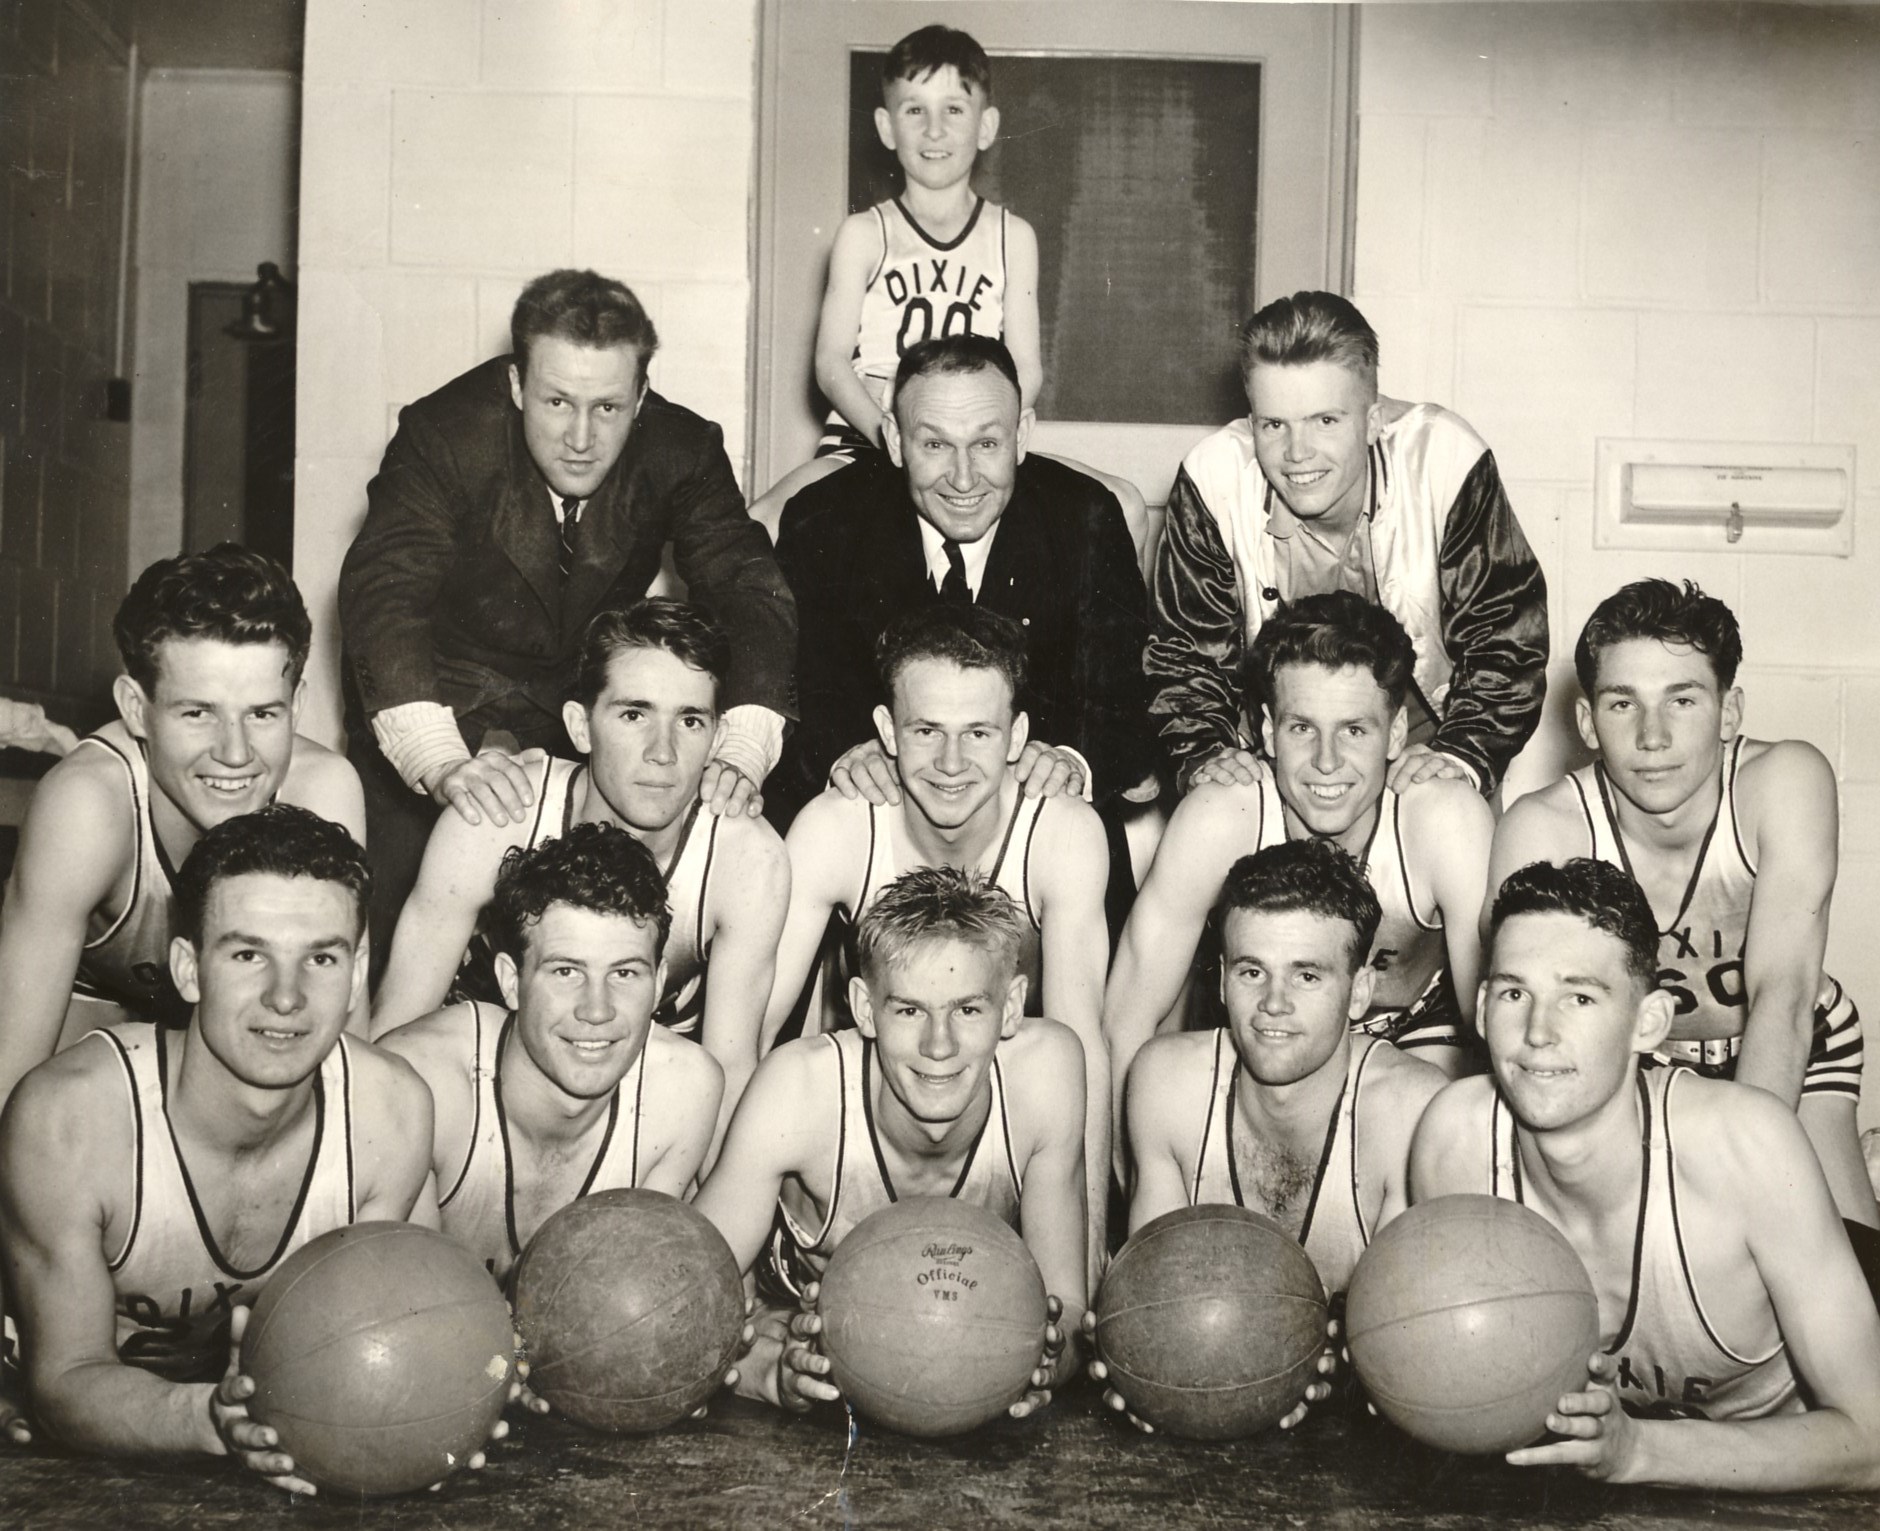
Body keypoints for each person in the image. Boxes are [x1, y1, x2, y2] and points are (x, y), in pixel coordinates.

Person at [338, 268, 796, 976]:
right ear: (517, 385)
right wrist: (436, 760)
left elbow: (750, 588)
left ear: (641, 397)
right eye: (556, 401)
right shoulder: (443, 433)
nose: (581, 437)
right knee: (396, 949)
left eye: (609, 408)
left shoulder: (683, 447)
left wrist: (742, 746)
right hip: (442, 702)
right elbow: (387, 591)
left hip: (578, 719)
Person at [0, 806, 445, 1493]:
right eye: (247, 954)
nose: (287, 996)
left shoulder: (393, 1113)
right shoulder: (71, 1117)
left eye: (321, 957)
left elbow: (404, 1332)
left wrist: (452, 1405)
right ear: (188, 968)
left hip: (254, 1414)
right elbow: (64, 1379)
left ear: (357, 973)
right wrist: (209, 1414)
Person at [1410, 858, 1880, 1492]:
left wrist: (1639, 1452)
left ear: (1649, 1023)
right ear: (1486, 1005)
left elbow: (1871, 1442)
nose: (1537, 1033)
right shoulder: (1453, 1142)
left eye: (1579, 996)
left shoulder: (1747, 1145)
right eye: (1515, 993)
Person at [1488, 580, 1877, 1229]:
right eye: (1622, 703)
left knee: (1847, 1259)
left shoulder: (1782, 782)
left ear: (1729, 712)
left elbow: (1783, 991)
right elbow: (1533, 1028)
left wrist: (1741, 1178)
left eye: (1682, 699)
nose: (1652, 736)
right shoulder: (1544, 827)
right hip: (1632, 1064)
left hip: (1786, 1043)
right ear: (1586, 721)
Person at [766, 605, 1111, 1274]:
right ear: (884, 731)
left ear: (1018, 737)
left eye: (978, 732)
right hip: (867, 1109)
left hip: (990, 1118)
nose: (951, 763)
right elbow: (754, 1029)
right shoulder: (839, 826)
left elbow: (1081, 1052)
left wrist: (1088, 1266)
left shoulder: (1061, 832)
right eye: (925, 729)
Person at [770, 333, 1156, 929]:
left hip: (1035, 814)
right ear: (896, 442)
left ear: (1022, 436)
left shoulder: (1083, 516)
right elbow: (795, 682)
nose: (963, 477)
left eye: (987, 443)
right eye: (935, 445)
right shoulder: (827, 518)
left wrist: (1073, 760)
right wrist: (846, 748)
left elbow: (1129, 690)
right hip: (888, 810)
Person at [370, 601, 788, 1132]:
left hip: (640, 1101)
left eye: (689, 720)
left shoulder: (746, 858)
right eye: (634, 714)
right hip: (480, 1081)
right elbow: (396, 1033)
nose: (663, 752)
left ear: (716, 735)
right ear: (581, 726)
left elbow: (729, 1073)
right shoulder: (500, 814)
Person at [1105, 592, 1491, 1151]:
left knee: (1432, 1125)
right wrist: (1125, 1197)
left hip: (1411, 1036)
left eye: (1355, 730)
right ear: (1266, 733)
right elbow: (1126, 1019)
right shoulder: (1225, 813)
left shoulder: (1441, 817)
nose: (1327, 761)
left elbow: (1499, 1025)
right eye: (1301, 729)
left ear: (1399, 733)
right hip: (1265, 1032)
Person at [694, 867, 1085, 1416]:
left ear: (1013, 1006)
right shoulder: (801, 1090)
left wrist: (1046, 1362)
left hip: (971, 1344)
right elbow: (684, 1292)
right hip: (806, 1337)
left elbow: (1065, 1306)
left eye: (968, 1009)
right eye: (908, 1010)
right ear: (863, 1007)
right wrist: (762, 1365)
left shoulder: (1047, 1073)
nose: (938, 1045)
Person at [0, 545, 366, 1120]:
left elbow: (349, 1059)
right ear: (135, 708)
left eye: (263, 714)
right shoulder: (88, 803)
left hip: (222, 1029)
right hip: (92, 1017)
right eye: (198, 713)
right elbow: (10, 1083)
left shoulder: (324, 791)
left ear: (297, 704)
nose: (235, 753)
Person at [1145, 290, 1547, 799]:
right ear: (1252, 424)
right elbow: (1186, 655)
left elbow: (1506, 637)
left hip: (1429, 735)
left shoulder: (1443, 458)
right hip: (1275, 745)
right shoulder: (1213, 477)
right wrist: (1206, 753)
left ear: (1374, 422)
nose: (1297, 454)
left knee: (1451, 824)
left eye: (1326, 421)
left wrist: (1461, 754)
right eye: (1274, 425)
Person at [379, 823, 723, 1284]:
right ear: (510, 981)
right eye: (565, 971)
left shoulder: (686, 1090)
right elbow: (406, 1309)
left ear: (659, 983)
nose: (596, 1010)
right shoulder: (421, 1081)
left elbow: (623, 1311)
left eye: (624, 973)